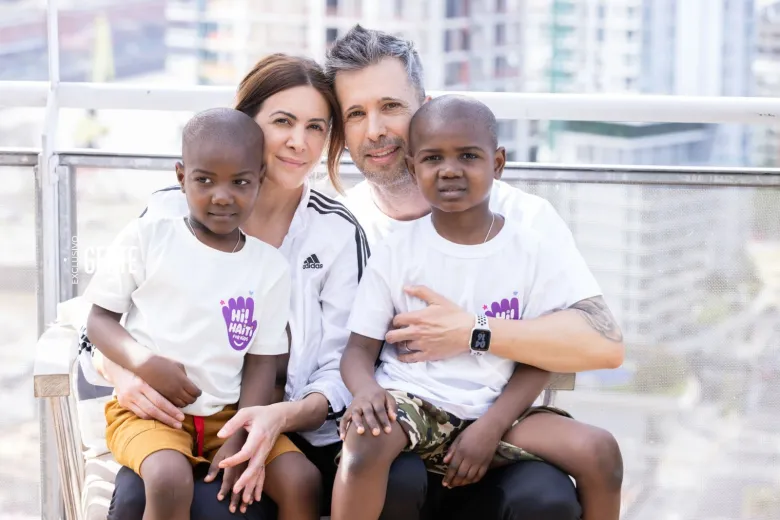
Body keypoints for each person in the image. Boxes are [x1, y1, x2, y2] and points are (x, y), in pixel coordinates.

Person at [324, 25, 625, 520]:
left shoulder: (524, 222)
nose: (374, 129)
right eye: (356, 113)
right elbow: (345, 353)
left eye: (391, 106)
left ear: (425, 104)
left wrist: (473, 333)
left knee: (549, 493)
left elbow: (605, 345)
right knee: (390, 472)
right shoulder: (342, 227)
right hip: (406, 418)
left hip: (501, 413)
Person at [79, 55, 368, 519]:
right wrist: (131, 373)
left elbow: (342, 363)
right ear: (247, 122)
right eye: (283, 121)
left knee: (271, 490)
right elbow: (95, 321)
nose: (300, 141)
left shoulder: (328, 237)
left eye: (316, 126)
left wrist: (266, 424)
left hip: (269, 424)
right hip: (162, 418)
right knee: (148, 492)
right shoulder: (167, 216)